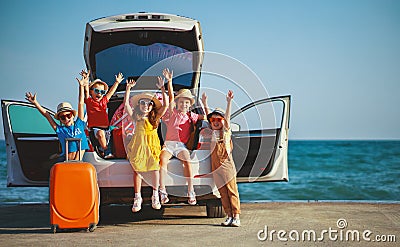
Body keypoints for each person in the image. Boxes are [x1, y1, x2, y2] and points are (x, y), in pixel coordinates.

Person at [159, 68, 206, 205]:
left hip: (181, 146)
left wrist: (204, 103)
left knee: (188, 161)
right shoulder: (172, 113)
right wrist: (169, 82)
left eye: (186, 102)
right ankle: (163, 190)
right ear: (177, 103)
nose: (184, 104)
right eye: (181, 102)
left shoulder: (192, 116)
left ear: (190, 105)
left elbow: (207, 117)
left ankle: (190, 191)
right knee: (162, 160)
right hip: (169, 144)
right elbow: (171, 98)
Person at [124, 76, 168, 212]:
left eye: (149, 104)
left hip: (152, 146)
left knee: (155, 168)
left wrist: (162, 88)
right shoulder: (136, 117)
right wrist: (128, 89)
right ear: (139, 105)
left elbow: (166, 105)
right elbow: (126, 105)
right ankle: (137, 197)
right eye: (143, 103)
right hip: (138, 146)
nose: (146, 106)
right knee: (138, 170)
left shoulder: (155, 117)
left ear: (152, 106)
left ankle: (155, 194)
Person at [25, 73, 89, 161]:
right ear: (60, 120)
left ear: (72, 115)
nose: (66, 119)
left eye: (68, 115)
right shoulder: (60, 130)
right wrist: (36, 103)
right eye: (63, 117)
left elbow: (81, 103)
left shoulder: (79, 124)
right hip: (67, 161)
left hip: (78, 160)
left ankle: (57, 155)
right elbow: (47, 115)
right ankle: (58, 156)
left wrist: (81, 86)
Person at [201, 90, 241, 227]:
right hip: (215, 167)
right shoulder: (211, 131)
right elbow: (207, 115)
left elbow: (227, 119)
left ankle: (236, 216)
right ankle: (229, 216)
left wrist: (229, 102)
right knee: (222, 192)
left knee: (231, 191)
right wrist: (204, 103)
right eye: (213, 120)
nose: (216, 122)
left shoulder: (225, 131)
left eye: (219, 119)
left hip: (227, 165)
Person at [82, 70, 124, 158]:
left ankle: (120, 152)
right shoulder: (89, 101)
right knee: (100, 134)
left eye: (102, 92)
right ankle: (106, 151)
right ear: (91, 91)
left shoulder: (104, 101)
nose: (99, 93)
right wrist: (86, 81)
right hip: (95, 129)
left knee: (119, 131)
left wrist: (117, 82)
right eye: (97, 91)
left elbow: (111, 92)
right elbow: (85, 92)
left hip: (107, 128)